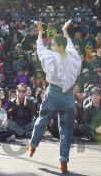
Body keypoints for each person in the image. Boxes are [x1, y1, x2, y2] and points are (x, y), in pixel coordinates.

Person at [28, 20, 82, 174]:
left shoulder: (51, 56)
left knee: (42, 119)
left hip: (53, 92)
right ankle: (63, 161)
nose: (50, 46)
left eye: (52, 45)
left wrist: (40, 32)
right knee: (66, 129)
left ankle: (33, 145)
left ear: (60, 47)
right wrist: (65, 30)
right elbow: (70, 45)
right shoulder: (73, 56)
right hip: (68, 94)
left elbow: (40, 49)